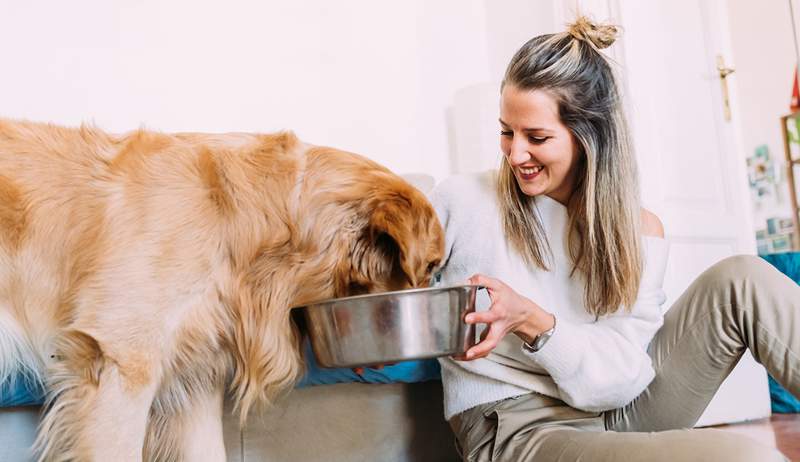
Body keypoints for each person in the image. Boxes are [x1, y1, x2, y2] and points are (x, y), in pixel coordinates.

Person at [431, 16, 800, 462]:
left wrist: (538, 324)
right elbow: (386, 283)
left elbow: (620, 377)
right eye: (506, 132)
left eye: (537, 137)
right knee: (752, 458)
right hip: (520, 425)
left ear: (590, 136)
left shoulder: (636, 230)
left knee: (742, 279)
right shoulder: (461, 201)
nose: (515, 153)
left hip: (614, 405)